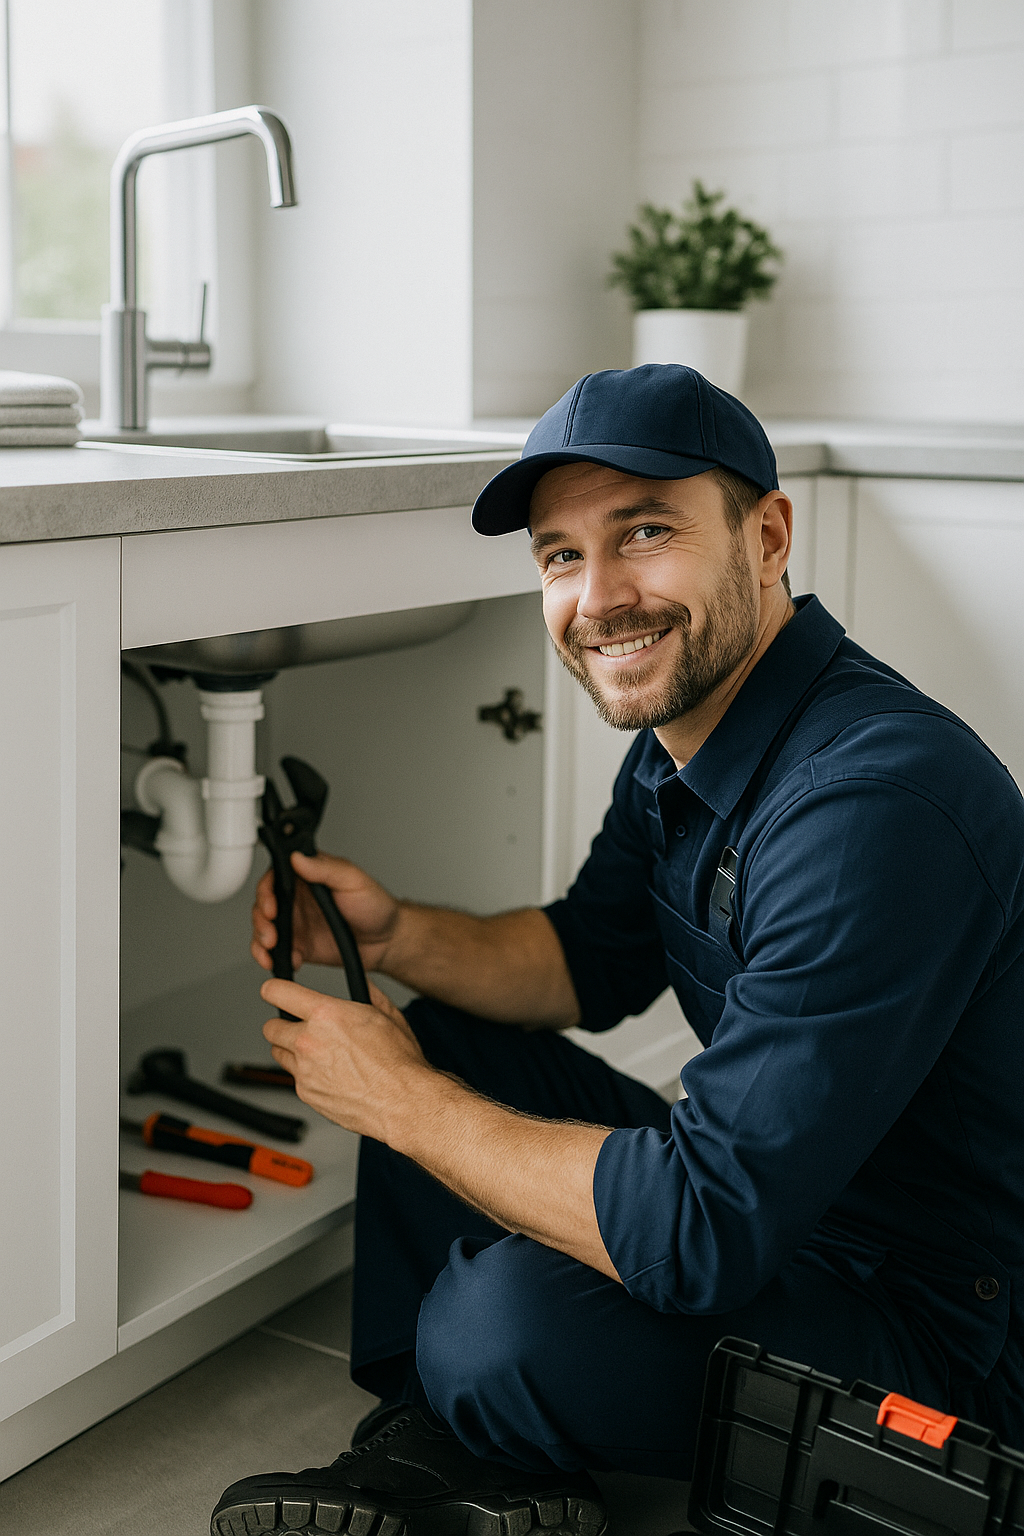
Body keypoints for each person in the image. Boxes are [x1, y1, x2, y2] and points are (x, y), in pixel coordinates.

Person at [211, 366, 1024, 1536]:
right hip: (797, 1205)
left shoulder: (873, 803)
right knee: (449, 1034)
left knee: (498, 1323)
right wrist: (399, 936)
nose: (599, 597)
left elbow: (703, 1226)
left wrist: (401, 1104)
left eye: (645, 533)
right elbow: (586, 963)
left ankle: (458, 1427)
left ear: (767, 536)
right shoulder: (693, 733)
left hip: (945, 1326)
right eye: (559, 555)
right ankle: (457, 1446)